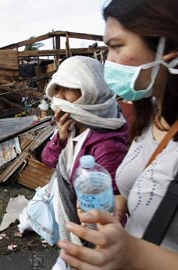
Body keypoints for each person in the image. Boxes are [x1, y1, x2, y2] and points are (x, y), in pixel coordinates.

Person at [58, 0, 178, 269]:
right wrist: (119, 202)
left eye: (116, 46)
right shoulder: (151, 112)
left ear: (167, 47)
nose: (107, 61)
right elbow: (146, 176)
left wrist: (133, 254)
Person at [41, 55, 129, 195]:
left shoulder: (107, 148)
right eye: (57, 88)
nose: (59, 96)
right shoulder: (70, 125)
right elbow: (48, 160)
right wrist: (60, 139)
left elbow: (106, 208)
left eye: (68, 88)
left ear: (92, 90)